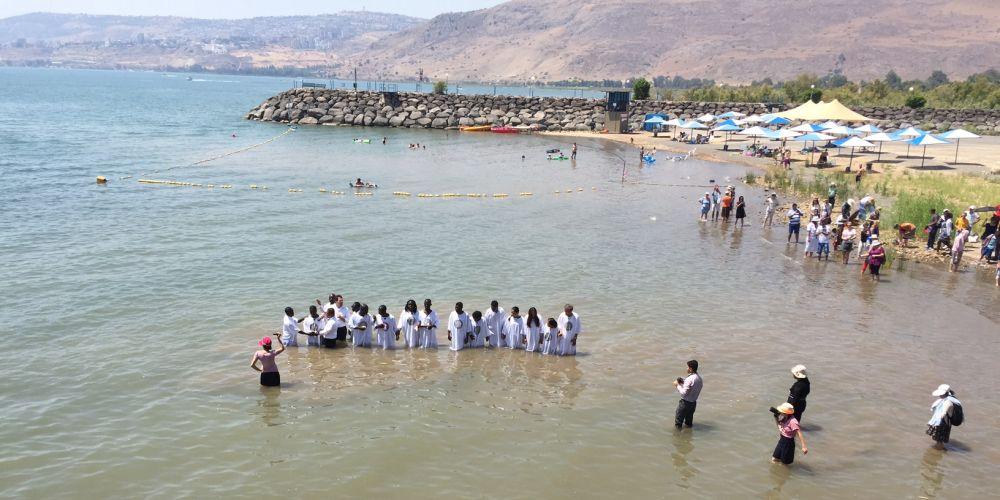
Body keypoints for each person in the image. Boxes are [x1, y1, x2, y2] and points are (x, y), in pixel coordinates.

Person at [927, 384, 962, 449]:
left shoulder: (947, 402)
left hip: (942, 424)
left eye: (941, 394)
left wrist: (937, 420)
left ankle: (939, 449)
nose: (939, 395)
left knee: (939, 440)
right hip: (941, 423)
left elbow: (944, 413)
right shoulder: (945, 400)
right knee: (938, 439)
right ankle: (939, 448)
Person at [672, 360, 703, 429]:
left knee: (678, 423)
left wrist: (677, 385)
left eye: (688, 367)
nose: (687, 369)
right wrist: (683, 382)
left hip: (685, 403)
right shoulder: (699, 379)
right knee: (688, 423)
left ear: (690, 369)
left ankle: (677, 438)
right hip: (693, 404)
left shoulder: (690, 379)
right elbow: (692, 388)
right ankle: (688, 438)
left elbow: (684, 392)